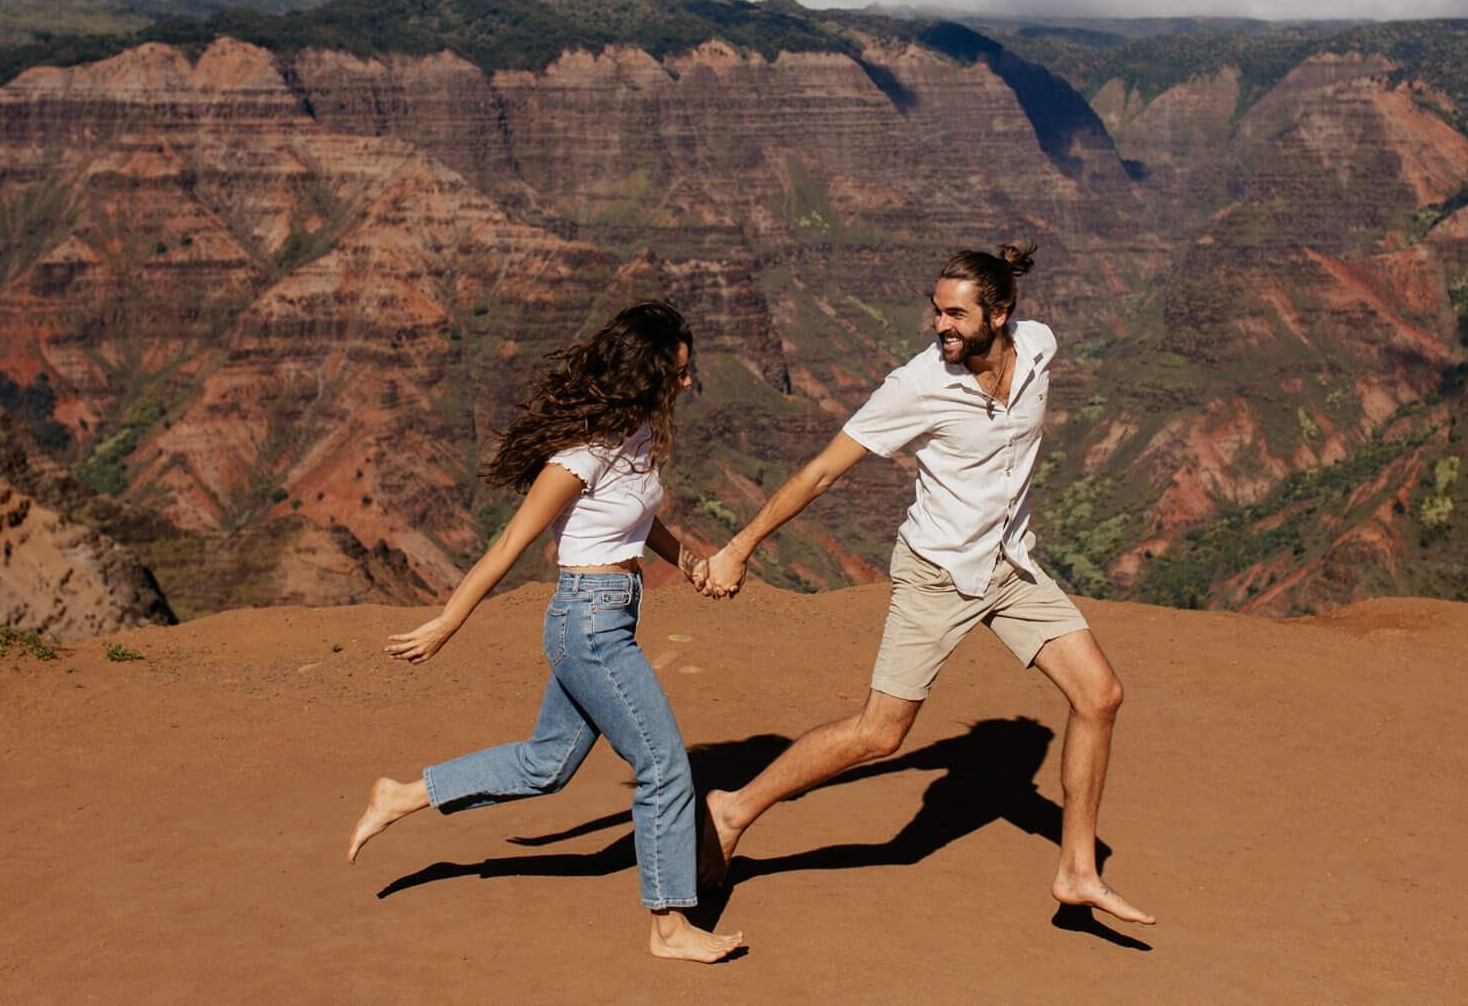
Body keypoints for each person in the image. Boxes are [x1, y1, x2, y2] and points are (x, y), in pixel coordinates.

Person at [693, 241, 1154, 927]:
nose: (941, 325)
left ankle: (1077, 872)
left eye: (957, 314)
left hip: (1010, 567)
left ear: (1000, 316)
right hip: (937, 575)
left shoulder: (1040, 348)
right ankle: (731, 810)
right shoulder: (917, 385)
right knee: (881, 735)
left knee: (1101, 695)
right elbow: (823, 471)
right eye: (936, 312)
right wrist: (740, 547)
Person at [343, 300, 743, 964]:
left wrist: (691, 562)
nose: (688, 383)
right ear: (644, 373)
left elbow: (641, 522)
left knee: (546, 765)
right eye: (677, 372)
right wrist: (447, 622)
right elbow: (507, 545)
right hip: (588, 624)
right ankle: (669, 927)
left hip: (609, 614)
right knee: (665, 767)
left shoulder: (637, 429)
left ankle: (405, 794)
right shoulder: (580, 454)